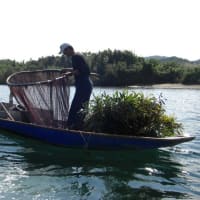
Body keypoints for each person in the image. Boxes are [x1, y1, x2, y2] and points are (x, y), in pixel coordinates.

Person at [59, 43, 93, 129]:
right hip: (86, 84)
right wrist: (66, 69)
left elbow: (79, 71)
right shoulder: (78, 56)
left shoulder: (75, 57)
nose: (64, 54)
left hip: (83, 85)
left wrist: (69, 74)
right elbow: (79, 69)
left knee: (75, 107)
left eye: (64, 51)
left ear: (69, 49)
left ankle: (70, 127)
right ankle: (80, 126)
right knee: (83, 107)